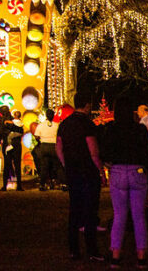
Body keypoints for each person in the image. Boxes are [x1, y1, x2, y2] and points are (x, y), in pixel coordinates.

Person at [101, 97, 148, 269]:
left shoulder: (111, 129)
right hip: (137, 171)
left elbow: (104, 152)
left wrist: (109, 164)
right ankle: (141, 256)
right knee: (139, 216)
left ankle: (116, 255)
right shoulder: (140, 129)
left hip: (117, 171)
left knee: (119, 215)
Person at [56, 92, 105, 262]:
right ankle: (91, 249)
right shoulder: (87, 124)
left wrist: (66, 164)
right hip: (88, 171)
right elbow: (93, 151)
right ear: (87, 105)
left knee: (74, 209)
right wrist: (100, 170)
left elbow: (58, 147)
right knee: (90, 210)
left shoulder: (65, 124)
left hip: (73, 171)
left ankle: (73, 249)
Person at [0, 105, 23, 191]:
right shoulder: (14, 120)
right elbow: (21, 130)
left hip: (6, 144)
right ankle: (19, 185)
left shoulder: (0, 121)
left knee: (7, 165)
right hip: (16, 143)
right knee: (17, 164)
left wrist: (0, 139)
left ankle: (4, 186)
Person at [34, 108, 63, 190]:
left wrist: (40, 141)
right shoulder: (57, 125)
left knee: (44, 166)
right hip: (54, 146)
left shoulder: (41, 125)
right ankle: (63, 183)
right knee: (58, 166)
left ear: (46, 116)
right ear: (53, 116)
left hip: (44, 146)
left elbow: (36, 136)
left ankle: (42, 184)